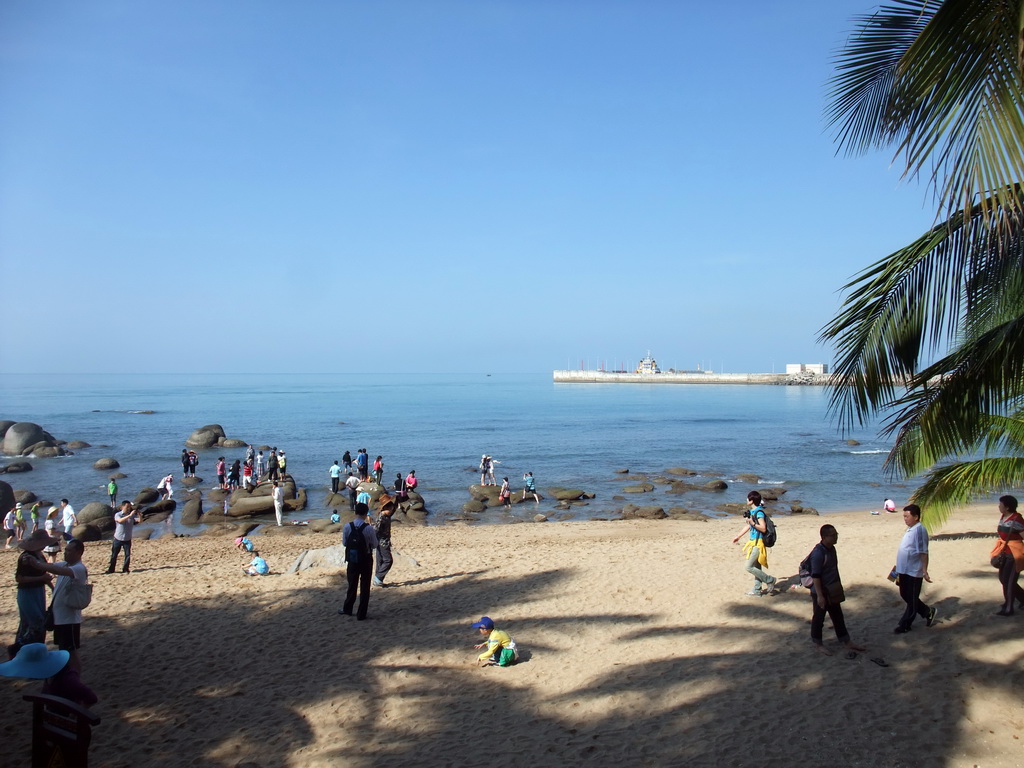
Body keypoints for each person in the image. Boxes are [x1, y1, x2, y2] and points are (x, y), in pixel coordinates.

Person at [807, 524, 867, 656]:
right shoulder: (818, 553)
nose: (836, 537)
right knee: (819, 618)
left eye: (836, 534)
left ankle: (846, 641)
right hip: (820, 590)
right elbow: (815, 576)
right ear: (824, 537)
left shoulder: (832, 549)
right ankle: (818, 643)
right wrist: (820, 596)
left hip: (832, 588)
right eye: (833, 535)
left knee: (837, 616)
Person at [33, 538, 88, 673]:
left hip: (69, 619)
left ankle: (76, 677)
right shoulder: (65, 564)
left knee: (71, 650)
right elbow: (51, 567)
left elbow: (55, 570)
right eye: (66, 550)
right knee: (64, 649)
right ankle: (69, 674)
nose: (66, 553)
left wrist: (38, 564)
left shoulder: (79, 568)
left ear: (79, 553)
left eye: (69, 551)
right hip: (60, 617)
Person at [0, 643, 98, 709]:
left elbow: (91, 698)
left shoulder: (68, 679)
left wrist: (76, 715)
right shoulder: (51, 674)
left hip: (66, 723)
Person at [8, 530, 54, 659]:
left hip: (38, 592)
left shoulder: (39, 556)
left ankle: (32, 653)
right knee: (34, 623)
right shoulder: (25, 558)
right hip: (27, 593)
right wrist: (41, 579)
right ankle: (18, 650)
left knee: (34, 623)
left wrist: (53, 588)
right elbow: (20, 578)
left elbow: (44, 576)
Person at [892, 504, 936, 633]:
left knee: (911, 598)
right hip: (903, 569)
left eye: (907, 516)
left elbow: (923, 552)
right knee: (905, 594)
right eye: (904, 516)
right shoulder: (911, 529)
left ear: (916, 517)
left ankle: (905, 625)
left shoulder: (920, 530)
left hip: (913, 570)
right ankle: (928, 612)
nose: (905, 519)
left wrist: (924, 571)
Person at [731, 490, 777, 596]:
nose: (747, 500)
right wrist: (738, 536)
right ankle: (757, 590)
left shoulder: (759, 512)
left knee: (748, 566)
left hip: (758, 543)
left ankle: (770, 580)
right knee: (756, 567)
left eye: (748, 498)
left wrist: (752, 523)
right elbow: (748, 526)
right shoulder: (753, 512)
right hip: (753, 542)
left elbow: (763, 528)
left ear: (751, 501)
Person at [340, 503, 379, 620]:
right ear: (366, 513)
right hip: (366, 559)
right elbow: (375, 545)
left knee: (352, 584)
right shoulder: (368, 528)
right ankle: (361, 614)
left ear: (355, 512)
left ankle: (347, 609)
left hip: (352, 558)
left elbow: (345, 543)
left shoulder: (348, 526)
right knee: (365, 586)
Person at [990, 494, 1024, 616]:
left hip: (1015, 554)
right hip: (1004, 551)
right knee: (1003, 579)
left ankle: (1009, 608)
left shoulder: (1017, 519)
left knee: (1009, 582)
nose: (999, 506)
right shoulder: (1004, 516)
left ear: (1007, 507)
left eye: (1001, 505)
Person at [107, 501, 141, 574]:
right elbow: (120, 520)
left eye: (129, 507)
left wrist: (140, 515)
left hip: (127, 538)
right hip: (118, 538)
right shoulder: (118, 514)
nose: (128, 509)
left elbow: (139, 521)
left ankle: (125, 569)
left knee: (127, 555)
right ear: (122, 507)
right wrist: (129, 516)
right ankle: (111, 569)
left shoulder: (131, 516)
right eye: (127, 507)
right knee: (114, 555)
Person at [373, 503, 395, 588]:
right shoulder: (381, 518)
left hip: (384, 541)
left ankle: (378, 581)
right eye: (390, 509)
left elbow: (394, 508)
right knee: (388, 560)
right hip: (382, 542)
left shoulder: (387, 516)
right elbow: (375, 530)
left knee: (380, 560)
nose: (391, 511)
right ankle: (378, 577)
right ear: (385, 508)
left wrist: (397, 498)